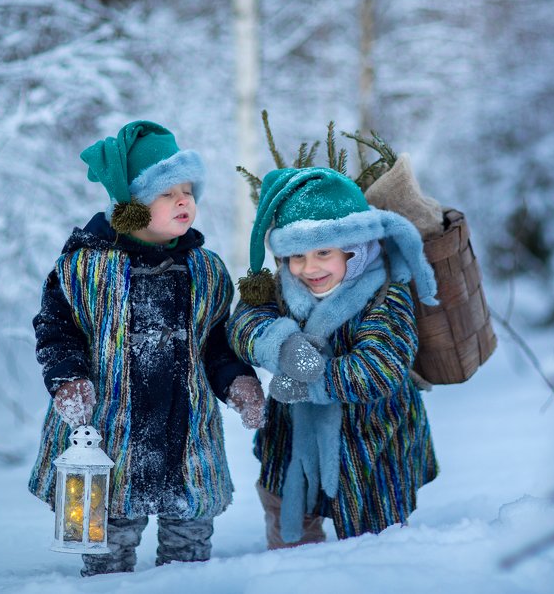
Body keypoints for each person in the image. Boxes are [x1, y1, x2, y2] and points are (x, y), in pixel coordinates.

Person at [27, 120, 265, 576]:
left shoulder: (207, 270)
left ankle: (188, 582)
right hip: (109, 433)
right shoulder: (84, 269)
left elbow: (217, 341)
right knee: (106, 542)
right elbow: (56, 330)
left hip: (185, 434)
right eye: (165, 192)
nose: (183, 200)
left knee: (190, 542)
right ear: (132, 206)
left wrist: (237, 381)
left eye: (188, 190)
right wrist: (66, 378)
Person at [227, 166, 439, 548]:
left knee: (373, 544)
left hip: (372, 445)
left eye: (323, 252)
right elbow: (243, 324)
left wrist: (312, 380)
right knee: (287, 526)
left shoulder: (385, 295)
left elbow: (378, 369)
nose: (309, 268)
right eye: (296, 255)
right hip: (290, 442)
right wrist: (283, 345)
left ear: (353, 248)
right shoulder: (281, 287)